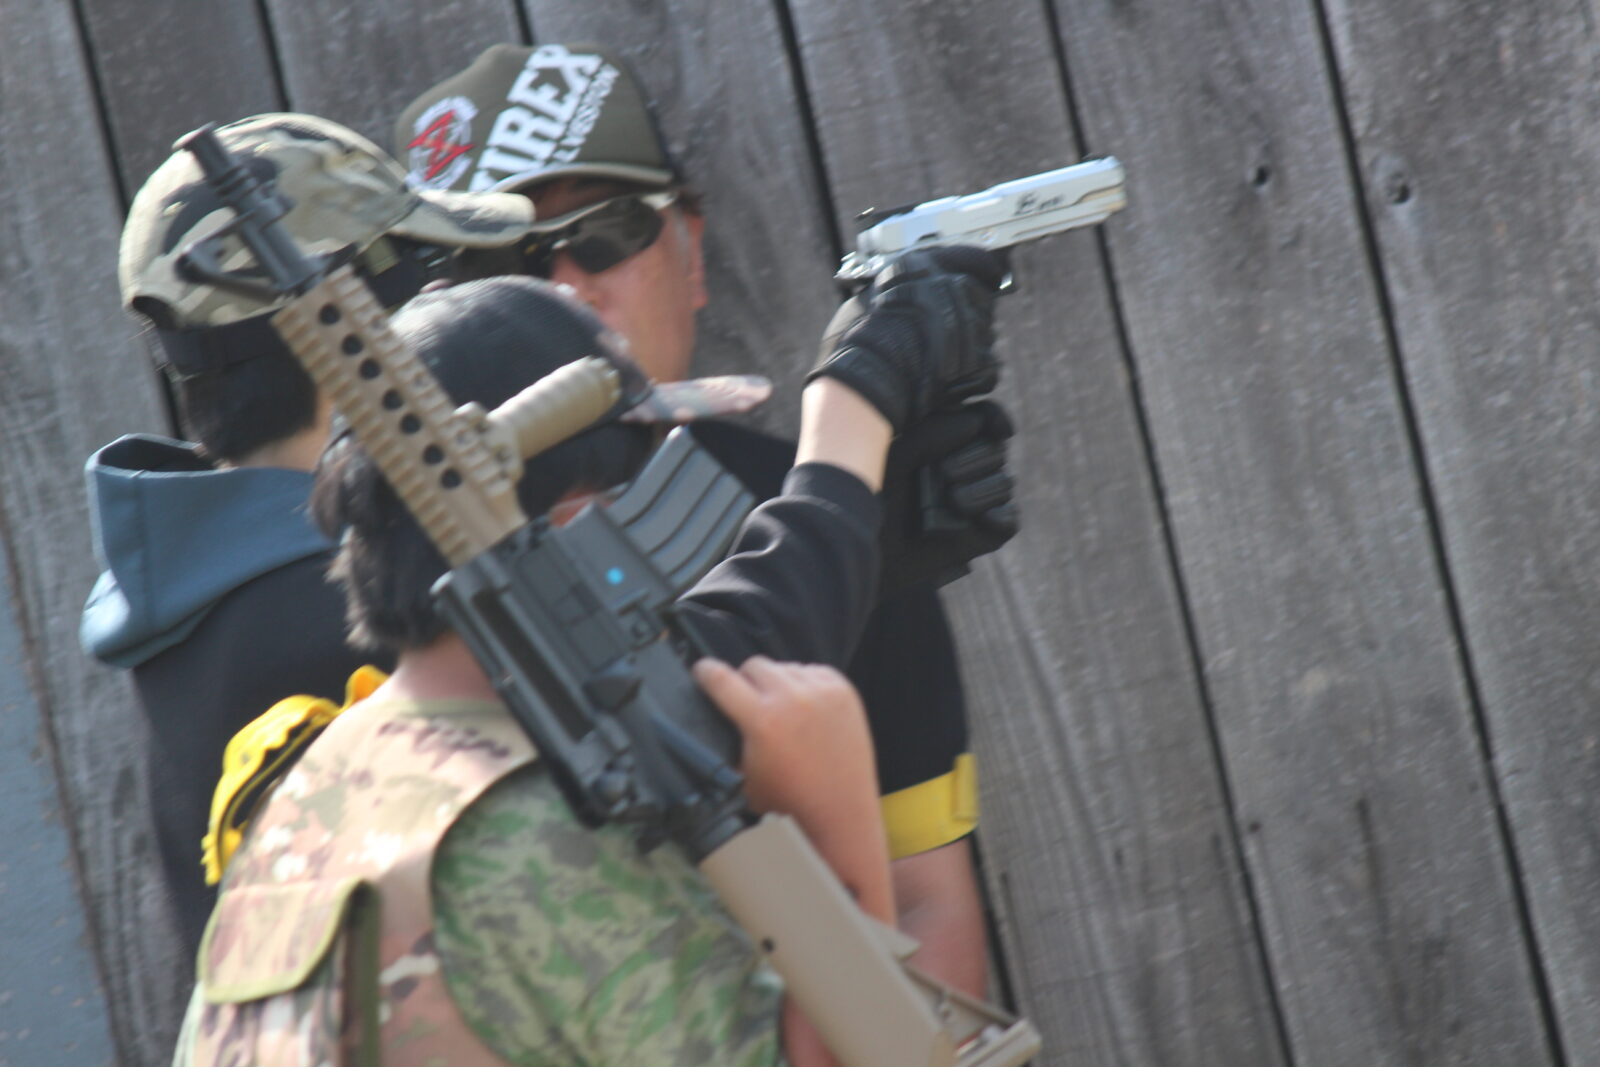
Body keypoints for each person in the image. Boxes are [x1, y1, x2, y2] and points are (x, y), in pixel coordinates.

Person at [174, 271, 1002, 1065]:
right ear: (576, 523)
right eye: (642, 496)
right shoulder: (551, 844)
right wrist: (835, 819)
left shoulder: (306, 803)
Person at [394, 42, 1015, 995]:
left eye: (606, 234)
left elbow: (929, 906)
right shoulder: (383, 578)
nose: (566, 285)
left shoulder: (827, 509)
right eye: (504, 262)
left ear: (689, 250)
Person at [79, 113, 541, 961]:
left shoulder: (207, 591)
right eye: (431, 274)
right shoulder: (338, 605)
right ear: (352, 327)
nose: (449, 302)